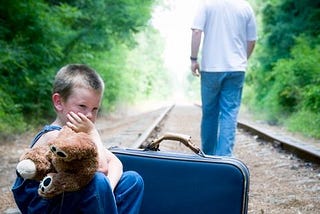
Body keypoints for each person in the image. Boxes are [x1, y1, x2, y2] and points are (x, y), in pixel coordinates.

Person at [12, 64, 144, 213]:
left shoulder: (79, 136)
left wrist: (107, 191)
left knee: (133, 180)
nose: (89, 115)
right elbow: (102, 168)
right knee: (98, 181)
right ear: (59, 102)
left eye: (95, 109)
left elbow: (116, 163)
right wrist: (93, 132)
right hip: (45, 205)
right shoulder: (54, 136)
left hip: (69, 200)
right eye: (82, 106)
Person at [190, 0, 257, 156]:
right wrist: (242, 60)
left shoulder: (206, 4)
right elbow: (252, 40)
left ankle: (208, 156)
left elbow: (196, 32)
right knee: (229, 113)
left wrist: (193, 59)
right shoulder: (245, 7)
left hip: (211, 69)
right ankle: (224, 158)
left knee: (210, 113)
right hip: (236, 69)